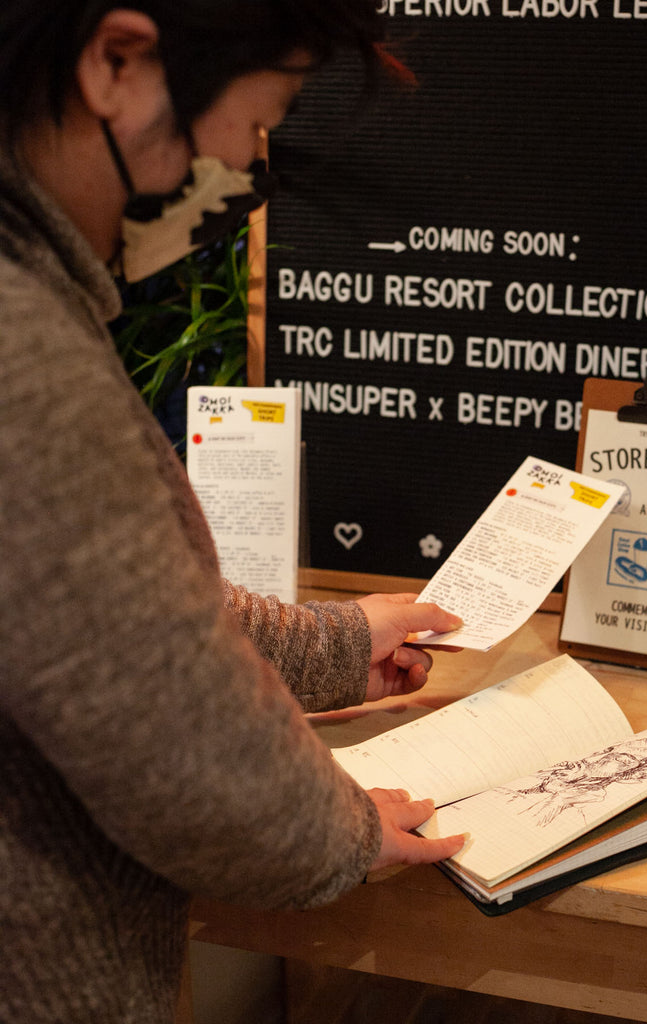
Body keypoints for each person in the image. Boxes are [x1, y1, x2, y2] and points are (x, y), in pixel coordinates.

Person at [0, 2, 466, 1020]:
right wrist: (341, 829)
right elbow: (167, 733)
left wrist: (336, 644)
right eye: (256, 123)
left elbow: (109, 611)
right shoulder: (23, 352)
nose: (246, 174)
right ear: (116, 64)